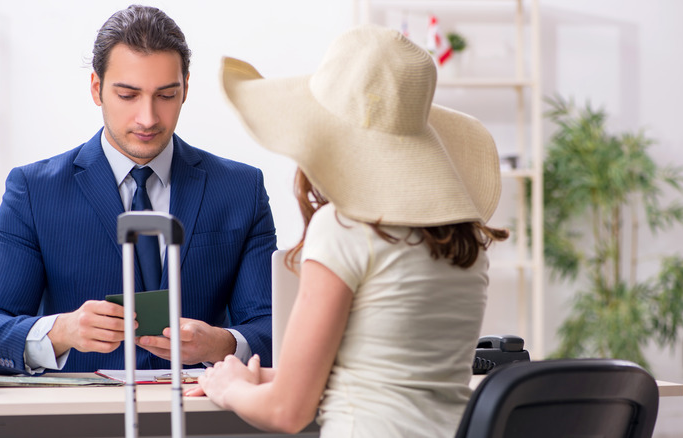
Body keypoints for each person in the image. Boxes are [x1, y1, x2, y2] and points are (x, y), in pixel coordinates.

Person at [184, 24, 510, 437]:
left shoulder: (343, 229)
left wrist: (228, 387)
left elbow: (288, 412)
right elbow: (390, 381)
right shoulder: (464, 241)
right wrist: (266, 378)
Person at [0, 5, 276, 375]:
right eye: (128, 95)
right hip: (79, 422)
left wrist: (222, 344)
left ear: (186, 90)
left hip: (200, 413)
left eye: (165, 95)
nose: (148, 118)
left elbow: (273, 328)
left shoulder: (241, 189)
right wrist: (59, 332)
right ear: (97, 89)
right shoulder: (33, 191)